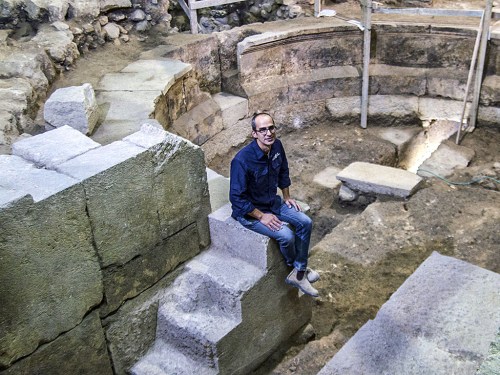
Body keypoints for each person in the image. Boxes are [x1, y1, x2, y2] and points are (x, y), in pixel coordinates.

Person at [229, 112, 320, 297]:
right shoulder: (241, 160)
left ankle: (299, 271)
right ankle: (297, 270)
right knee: (286, 236)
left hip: (273, 203)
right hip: (250, 214)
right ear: (254, 134)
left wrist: (286, 196)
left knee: (305, 222)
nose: (268, 133)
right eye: (262, 130)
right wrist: (262, 216)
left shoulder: (276, 146)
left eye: (271, 128)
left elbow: (283, 170)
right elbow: (236, 198)